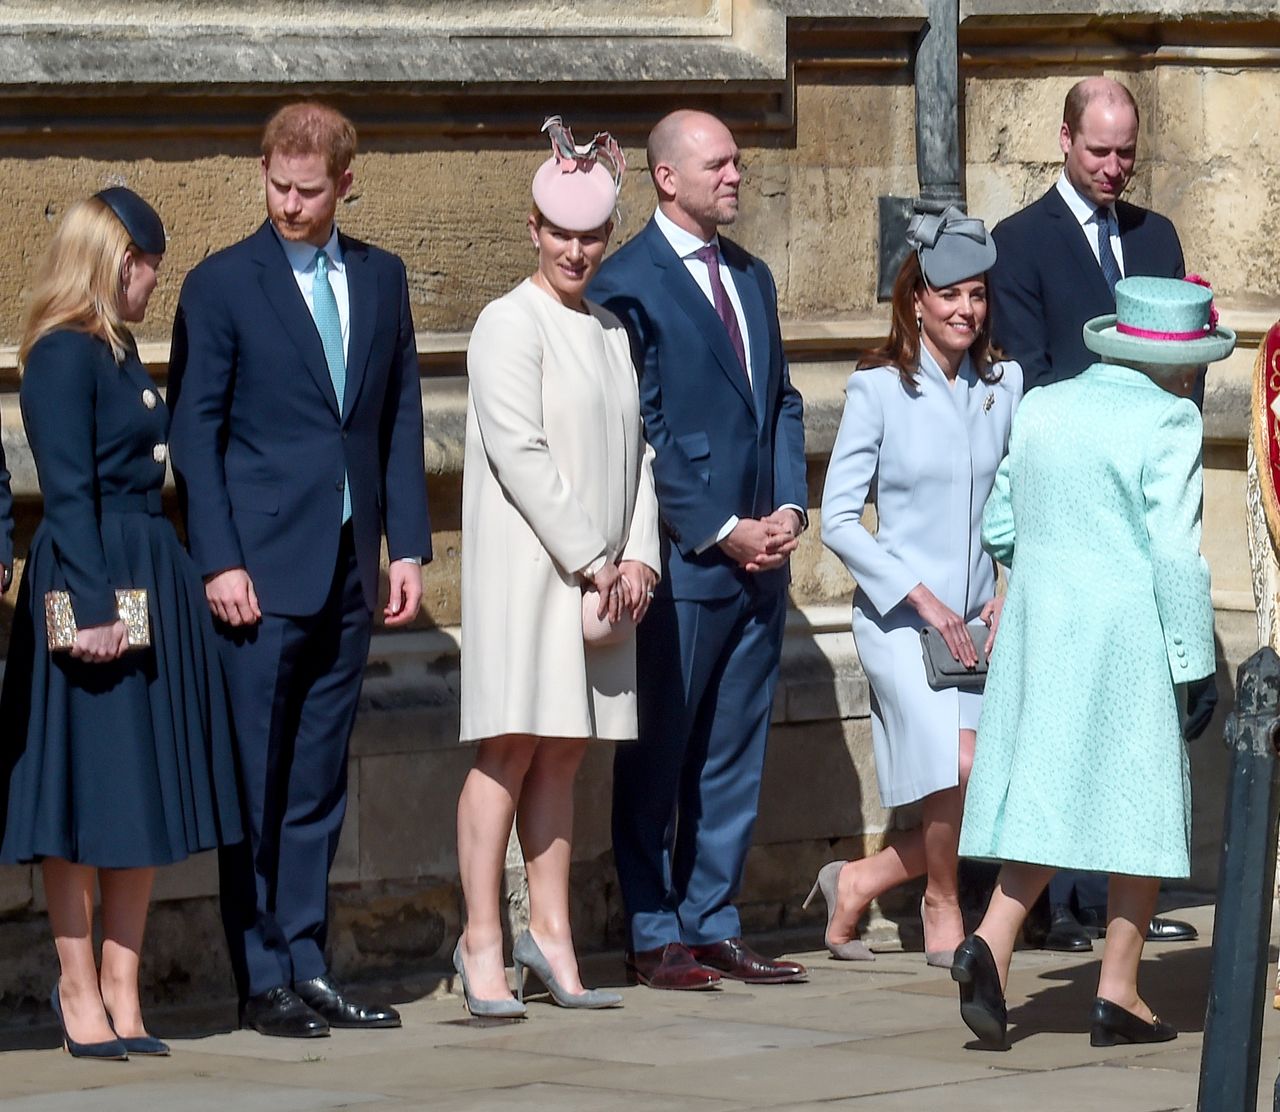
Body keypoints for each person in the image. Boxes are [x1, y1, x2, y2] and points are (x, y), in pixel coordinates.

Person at [168, 101, 431, 1038]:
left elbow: (398, 416)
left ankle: (309, 962)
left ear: (345, 184)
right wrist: (220, 560)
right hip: (257, 576)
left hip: (352, 570)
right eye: (277, 186)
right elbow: (194, 434)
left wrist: (407, 545)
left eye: (308, 191)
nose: (288, 204)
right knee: (257, 777)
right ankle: (260, 973)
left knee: (318, 778)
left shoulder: (381, 276)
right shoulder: (221, 285)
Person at [952, 275, 1233, 1050]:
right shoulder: (1171, 419)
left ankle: (994, 940)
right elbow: (1175, 555)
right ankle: (1118, 991)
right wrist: (1193, 660)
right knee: (1142, 802)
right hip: (1126, 632)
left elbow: (999, 521)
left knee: (1050, 787)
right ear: (1179, 361)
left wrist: (1051, 569)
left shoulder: (1044, 404)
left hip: (1042, 628)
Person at [0, 187, 242, 1059]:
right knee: (84, 794)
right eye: (148, 267)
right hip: (93, 580)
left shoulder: (118, 347)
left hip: (146, 574)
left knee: (135, 792)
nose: (152, 284)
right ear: (116, 259)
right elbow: (64, 492)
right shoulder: (64, 354)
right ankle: (76, 988)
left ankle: (123, 989)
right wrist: (97, 607)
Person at [590, 109, 808, 990]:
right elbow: (646, 428)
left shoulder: (751, 277)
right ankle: (651, 931)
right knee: (660, 752)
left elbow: (784, 400)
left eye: (737, 162)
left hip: (765, 559)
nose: (735, 175)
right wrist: (721, 528)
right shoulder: (626, 283)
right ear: (666, 178)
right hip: (685, 562)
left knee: (733, 749)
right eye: (717, 164)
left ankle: (712, 917)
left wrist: (789, 505)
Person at [986, 76, 1198, 949]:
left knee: (1128, 732)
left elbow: (1186, 351)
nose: (1113, 169)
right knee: (1068, 715)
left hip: (1141, 480)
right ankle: (1057, 904)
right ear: (1064, 140)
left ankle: (1116, 911)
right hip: (1068, 489)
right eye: (1098, 151)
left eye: (1126, 154)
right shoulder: (1019, 242)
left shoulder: (1159, 237)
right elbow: (1031, 371)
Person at [453, 118, 659, 1018]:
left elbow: (639, 453)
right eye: (561, 233)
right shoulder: (508, 321)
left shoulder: (611, 330)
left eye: (592, 236)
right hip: (534, 572)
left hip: (604, 574)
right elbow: (521, 452)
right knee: (510, 744)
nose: (577, 250)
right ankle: (481, 938)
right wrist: (594, 560)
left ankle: (552, 931)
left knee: (566, 752)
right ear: (533, 229)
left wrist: (640, 556)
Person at [815, 208, 1020, 965]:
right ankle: (941, 901)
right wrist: (921, 597)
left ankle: (860, 880)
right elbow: (836, 519)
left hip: (979, 620)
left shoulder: (1005, 386)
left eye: (977, 295)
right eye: (949, 295)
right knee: (957, 766)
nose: (965, 310)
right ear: (916, 301)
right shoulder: (877, 389)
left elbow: (1021, 499)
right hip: (901, 620)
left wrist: (1011, 581)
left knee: (979, 775)